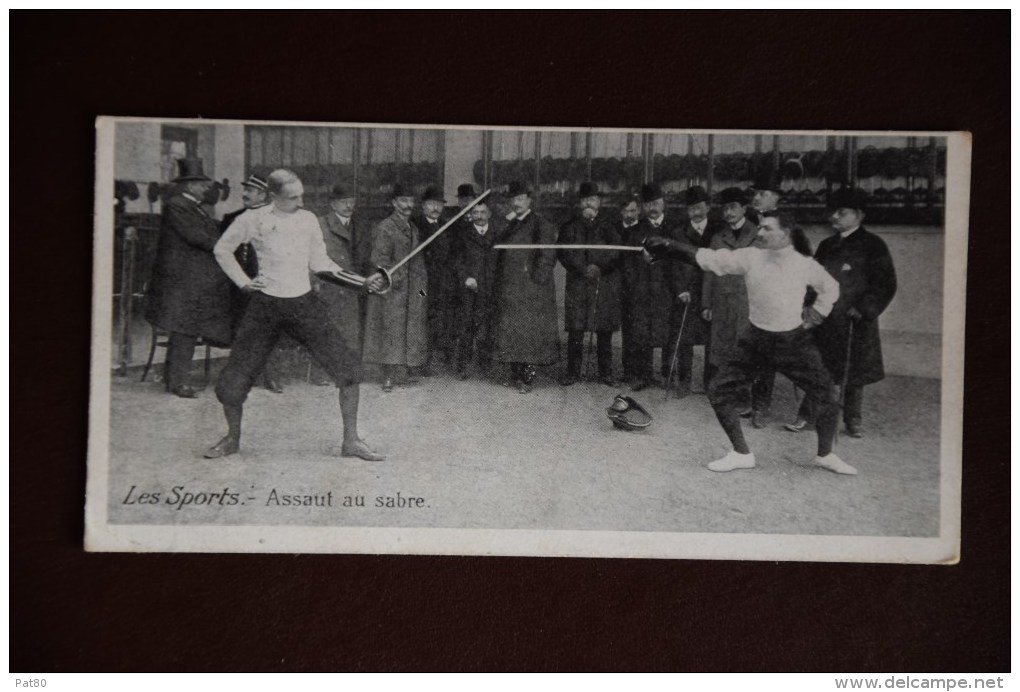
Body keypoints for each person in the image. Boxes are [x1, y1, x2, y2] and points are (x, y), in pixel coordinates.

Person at [645, 210, 858, 476]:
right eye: (760, 228)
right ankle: (741, 453)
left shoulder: (804, 264)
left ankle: (826, 455)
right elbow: (709, 259)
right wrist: (669, 246)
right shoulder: (750, 256)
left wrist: (817, 314)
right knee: (719, 390)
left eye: (768, 229)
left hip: (793, 341)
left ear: (786, 234)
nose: (760, 232)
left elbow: (831, 288)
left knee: (827, 394)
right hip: (756, 339)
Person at [205, 169, 386, 461]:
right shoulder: (253, 219)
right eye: (292, 198)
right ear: (273, 196)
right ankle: (231, 438)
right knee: (232, 382)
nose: (300, 202)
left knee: (349, 369)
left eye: (302, 195)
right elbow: (222, 250)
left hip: (303, 303)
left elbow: (322, 263)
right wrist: (243, 282)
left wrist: (363, 282)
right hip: (265, 306)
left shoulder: (308, 220)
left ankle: (351, 441)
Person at [785, 188, 897, 439]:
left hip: (854, 321)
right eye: (832, 212)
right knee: (819, 368)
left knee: (853, 372)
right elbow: (811, 279)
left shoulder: (874, 245)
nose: (834, 217)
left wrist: (865, 308)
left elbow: (885, 284)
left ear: (859, 215)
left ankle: (852, 418)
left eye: (841, 212)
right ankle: (808, 415)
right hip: (825, 320)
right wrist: (805, 307)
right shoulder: (827, 245)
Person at [145, 158, 232, 398]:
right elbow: (197, 237)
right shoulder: (178, 205)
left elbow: (208, 231)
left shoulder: (192, 207)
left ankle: (177, 379)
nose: (207, 188)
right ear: (190, 185)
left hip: (189, 282)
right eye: (202, 184)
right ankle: (177, 382)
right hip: (181, 282)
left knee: (187, 328)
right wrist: (228, 245)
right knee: (184, 329)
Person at [220, 173, 288, 394]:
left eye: (251, 190)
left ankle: (271, 376)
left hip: (270, 283)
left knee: (271, 330)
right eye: (245, 189)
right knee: (242, 331)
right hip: (240, 287)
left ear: (263, 195)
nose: (245, 194)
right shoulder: (232, 219)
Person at [491, 181, 560, 393]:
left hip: (531, 290)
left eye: (521, 198)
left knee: (530, 334)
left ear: (529, 200)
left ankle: (527, 379)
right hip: (511, 289)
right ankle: (514, 375)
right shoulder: (509, 224)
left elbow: (547, 255)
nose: (517, 203)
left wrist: (535, 281)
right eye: (514, 199)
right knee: (512, 333)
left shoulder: (540, 224)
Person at [363, 184, 429, 392]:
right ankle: (388, 376)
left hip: (414, 290)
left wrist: (422, 292)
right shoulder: (386, 227)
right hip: (393, 290)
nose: (408, 205)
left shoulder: (413, 228)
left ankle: (400, 372)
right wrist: (398, 276)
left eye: (411, 201)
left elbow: (418, 265)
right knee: (391, 331)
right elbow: (380, 260)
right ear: (394, 203)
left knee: (408, 330)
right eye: (403, 201)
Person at [557, 181, 622, 386]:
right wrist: (581, 268)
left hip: (602, 282)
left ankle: (605, 373)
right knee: (576, 329)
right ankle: (573, 372)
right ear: (580, 202)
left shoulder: (610, 225)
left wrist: (599, 267)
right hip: (578, 282)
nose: (588, 203)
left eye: (592, 199)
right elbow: (563, 252)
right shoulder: (570, 226)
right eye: (585, 200)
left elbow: (617, 251)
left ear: (599, 202)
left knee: (603, 330)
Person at [664, 185, 723, 394]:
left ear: (708, 207)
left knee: (712, 339)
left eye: (699, 208)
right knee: (685, 339)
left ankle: (710, 383)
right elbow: (671, 264)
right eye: (691, 209)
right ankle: (684, 381)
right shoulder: (678, 232)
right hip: (686, 293)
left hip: (710, 293)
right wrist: (680, 289)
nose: (695, 213)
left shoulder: (718, 231)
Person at [619, 183, 675, 391]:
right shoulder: (635, 231)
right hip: (641, 290)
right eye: (648, 204)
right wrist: (634, 287)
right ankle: (643, 374)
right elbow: (628, 262)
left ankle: (667, 374)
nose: (653, 207)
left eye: (657, 203)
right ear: (643, 207)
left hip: (665, 290)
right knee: (641, 332)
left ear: (663, 203)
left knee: (665, 331)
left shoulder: (673, 229)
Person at [701, 187, 758, 386]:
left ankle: (742, 391)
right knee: (720, 344)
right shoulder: (717, 238)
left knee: (744, 345)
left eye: (733, 207)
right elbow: (709, 270)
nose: (729, 213)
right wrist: (706, 303)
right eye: (725, 209)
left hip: (747, 302)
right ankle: (720, 387)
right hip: (721, 300)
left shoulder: (757, 236)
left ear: (744, 208)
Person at [315, 183, 373, 377]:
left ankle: (349, 369)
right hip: (330, 285)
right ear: (333, 204)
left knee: (352, 330)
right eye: (343, 202)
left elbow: (366, 257)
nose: (349, 206)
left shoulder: (361, 225)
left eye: (351, 201)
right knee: (328, 329)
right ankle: (323, 372)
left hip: (354, 285)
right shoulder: (321, 224)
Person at [412, 185, 457, 373]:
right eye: (431, 204)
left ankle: (438, 359)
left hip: (442, 283)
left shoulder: (447, 226)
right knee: (421, 317)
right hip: (421, 285)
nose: (435, 208)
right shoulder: (415, 225)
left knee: (442, 317)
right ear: (423, 206)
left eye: (438, 204)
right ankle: (421, 361)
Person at [452, 200, 499, 380]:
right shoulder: (463, 234)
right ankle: (462, 366)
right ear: (470, 214)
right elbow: (457, 259)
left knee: (487, 326)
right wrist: (466, 277)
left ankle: (485, 365)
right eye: (475, 212)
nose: (479, 216)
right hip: (469, 288)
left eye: (483, 212)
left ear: (489, 214)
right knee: (466, 326)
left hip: (490, 286)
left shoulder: (496, 234)